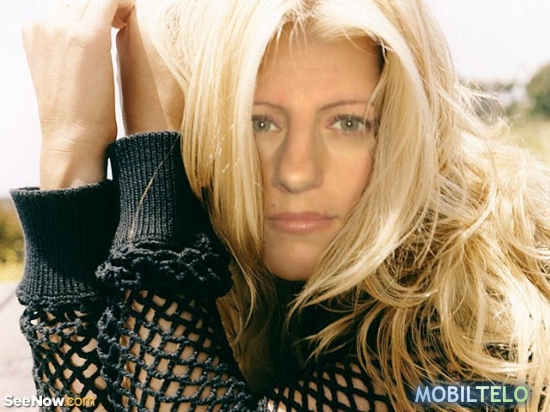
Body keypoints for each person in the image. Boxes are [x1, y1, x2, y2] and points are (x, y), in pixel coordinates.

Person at [11, 0, 550, 410]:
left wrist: (152, 150)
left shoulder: (491, 332)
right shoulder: (226, 269)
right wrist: (69, 158)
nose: (297, 172)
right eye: (259, 122)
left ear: (401, 133)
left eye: (347, 122)